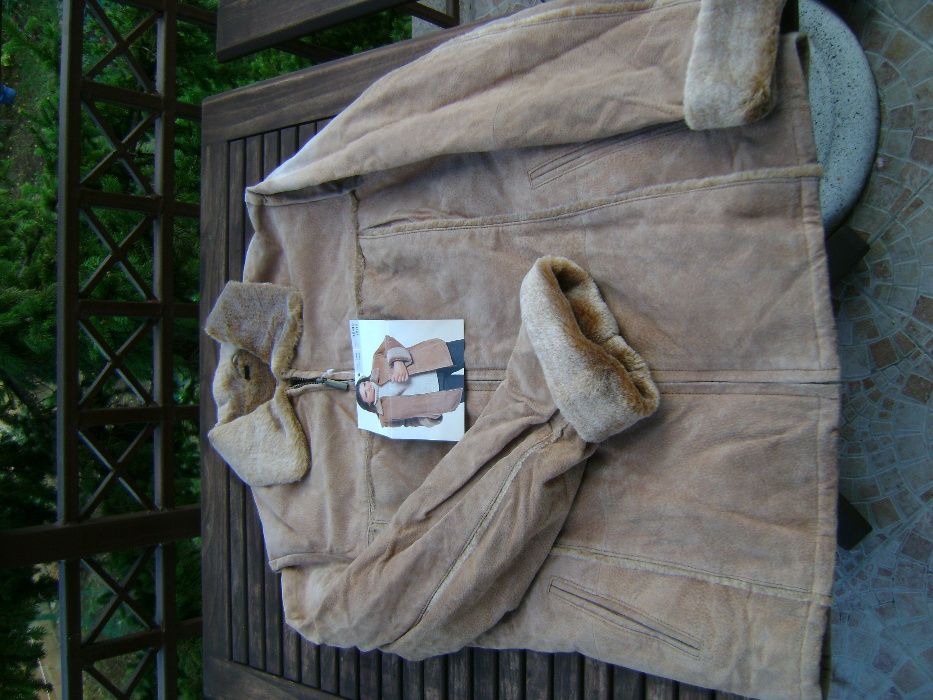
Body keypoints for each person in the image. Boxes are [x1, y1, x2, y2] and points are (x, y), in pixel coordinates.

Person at [356, 336, 464, 428]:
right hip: (440, 392)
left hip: (433, 357)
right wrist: (429, 417)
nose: (368, 387)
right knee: (474, 387)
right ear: (369, 403)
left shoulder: (377, 363)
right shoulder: (385, 417)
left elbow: (388, 341)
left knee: (470, 350)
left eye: (364, 384)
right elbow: (409, 422)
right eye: (366, 393)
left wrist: (398, 362)